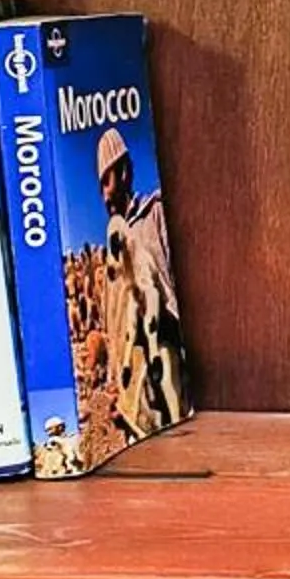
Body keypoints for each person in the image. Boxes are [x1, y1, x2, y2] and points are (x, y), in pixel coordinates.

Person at [96, 125, 188, 440]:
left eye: (108, 180)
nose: (105, 195)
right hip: (135, 394)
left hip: (168, 360)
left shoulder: (156, 215)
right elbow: (114, 327)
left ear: (124, 173)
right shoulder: (113, 254)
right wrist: (115, 381)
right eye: (100, 185)